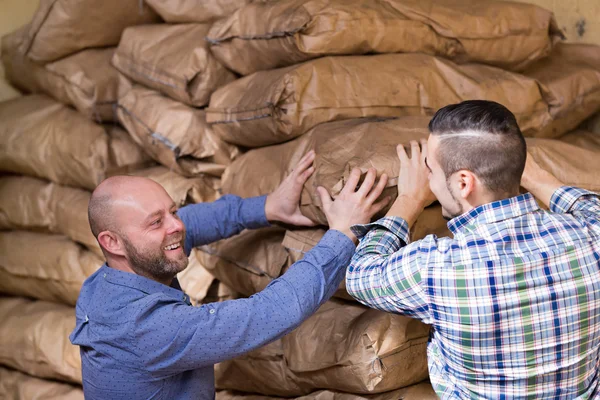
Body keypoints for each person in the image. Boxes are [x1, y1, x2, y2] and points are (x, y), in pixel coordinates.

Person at [69, 150, 390, 399]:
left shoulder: (107, 281)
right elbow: (267, 313)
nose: (175, 226)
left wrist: (265, 207)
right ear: (111, 242)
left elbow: (188, 225)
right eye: (156, 222)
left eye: (173, 211)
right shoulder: (148, 329)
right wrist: (342, 234)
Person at [346, 100, 600, 399]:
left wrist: (409, 199)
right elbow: (592, 209)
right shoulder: (590, 237)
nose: (428, 178)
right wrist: (531, 176)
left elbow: (361, 275)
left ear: (464, 182)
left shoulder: (437, 268)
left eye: (430, 168)